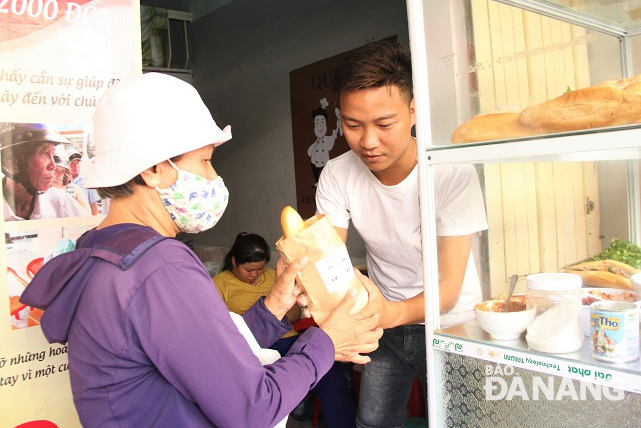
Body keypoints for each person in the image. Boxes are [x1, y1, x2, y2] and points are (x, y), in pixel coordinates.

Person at [20, 73, 383, 428]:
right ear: (154, 170)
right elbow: (251, 409)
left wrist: (274, 305)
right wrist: (326, 342)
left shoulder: (103, 249)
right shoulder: (158, 267)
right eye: (206, 161)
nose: (214, 178)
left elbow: (202, 356)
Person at [315, 40, 488, 428]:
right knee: (374, 422)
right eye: (353, 125)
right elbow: (327, 257)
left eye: (384, 124)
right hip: (384, 325)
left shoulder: (450, 171)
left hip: (451, 322)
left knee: (460, 421)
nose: (368, 141)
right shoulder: (337, 174)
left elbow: (447, 288)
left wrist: (390, 312)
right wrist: (312, 290)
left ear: (412, 112)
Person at [214, 233, 357, 428]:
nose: (255, 275)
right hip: (253, 346)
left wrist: (284, 304)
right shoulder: (219, 284)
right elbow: (220, 329)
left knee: (332, 377)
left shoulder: (274, 276)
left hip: (287, 340)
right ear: (233, 261)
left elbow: (294, 316)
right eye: (249, 269)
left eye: (260, 268)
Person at [1, 123, 91, 221]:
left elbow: (90, 228)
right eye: (43, 153)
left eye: (52, 154)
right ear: (11, 161)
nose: (53, 166)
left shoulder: (59, 201)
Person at [51, 145, 92, 213]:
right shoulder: (42, 192)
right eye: (55, 170)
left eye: (62, 171)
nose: (59, 176)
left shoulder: (74, 189)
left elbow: (87, 213)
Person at [68, 147, 101, 215]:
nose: (76, 166)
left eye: (78, 163)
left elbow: (94, 205)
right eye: (72, 164)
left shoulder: (86, 180)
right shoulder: (62, 182)